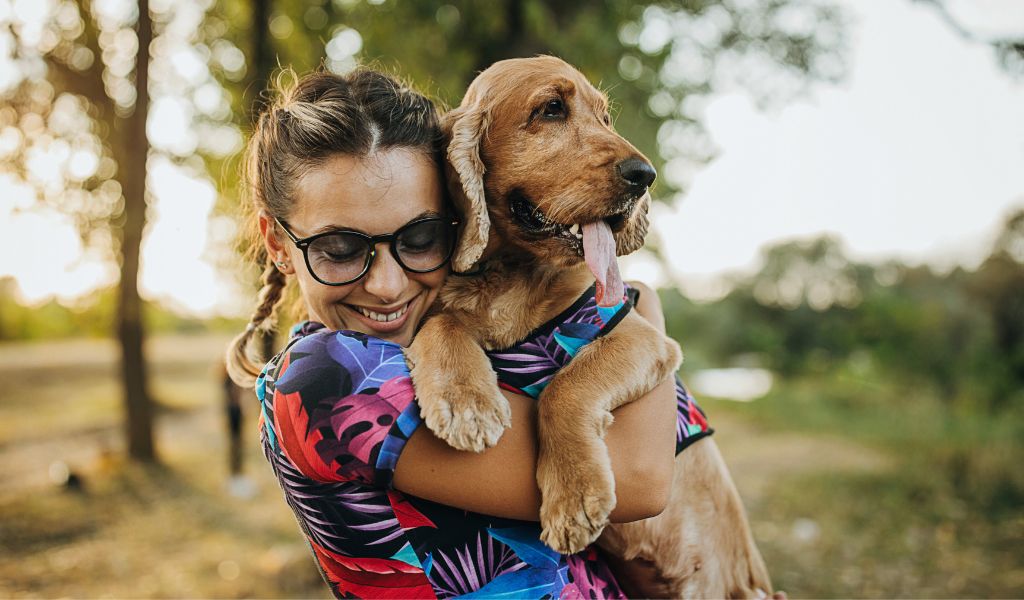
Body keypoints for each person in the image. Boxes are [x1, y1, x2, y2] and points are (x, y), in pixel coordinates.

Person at [226, 68, 704, 598]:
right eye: (339, 249)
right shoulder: (322, 381)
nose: (387, 286)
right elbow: (639, 478)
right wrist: (642, 306)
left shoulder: (461, 340)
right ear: (276, 243)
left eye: (422, 236)